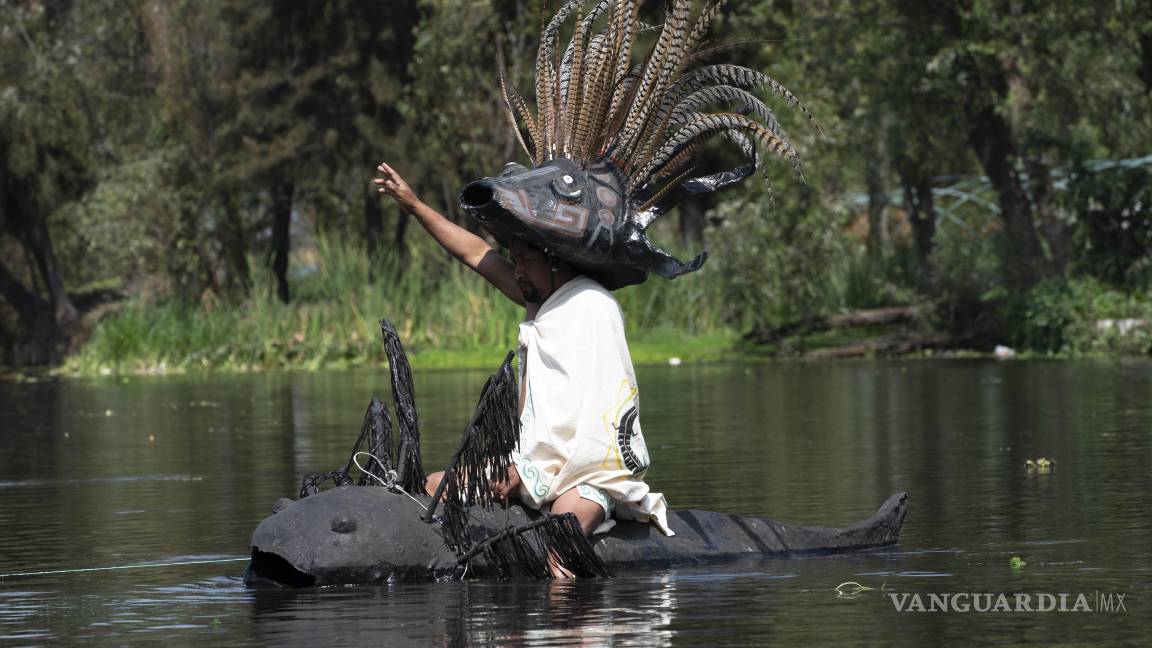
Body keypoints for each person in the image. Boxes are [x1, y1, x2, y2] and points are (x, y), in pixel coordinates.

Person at [374, 162, 672, 543]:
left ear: (555, 260)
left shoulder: (591, 306)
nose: (517, 273)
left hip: (585, 473)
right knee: (435, 486)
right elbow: (476, 253)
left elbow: (601, 420)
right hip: (532, 464)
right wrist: (415, 205)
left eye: (526, 262)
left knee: (559, 537)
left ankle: (563, 599)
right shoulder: (541, 298)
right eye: (515, 261)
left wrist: (527, 472)